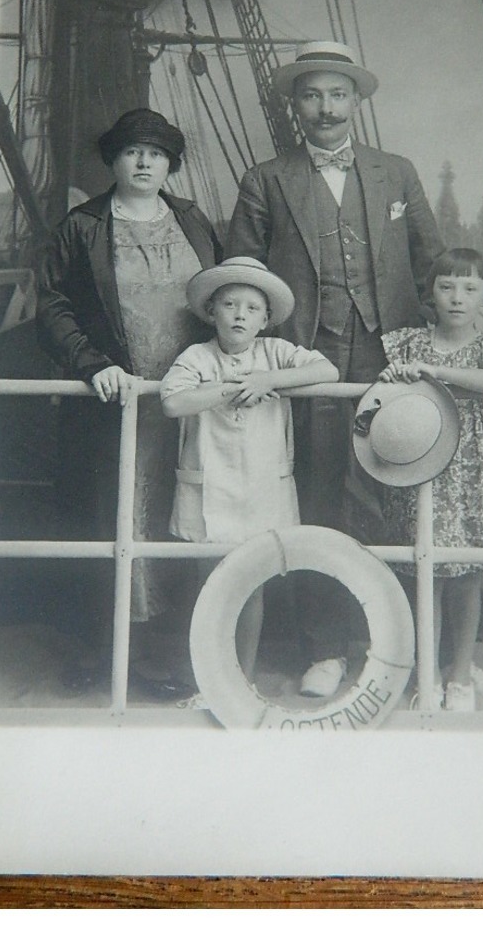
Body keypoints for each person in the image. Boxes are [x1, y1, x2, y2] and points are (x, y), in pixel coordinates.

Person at [226, 40, 444, 696]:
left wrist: (457, 337)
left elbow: (430, 257)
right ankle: (323, 649)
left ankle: (392, 646)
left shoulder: (395, 172)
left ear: (355, 100)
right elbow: (244, 269)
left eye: (336, 94)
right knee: (320, 498)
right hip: (308, 363)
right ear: (293, 105)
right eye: (311, 95)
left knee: (394, 497)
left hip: (391, 359)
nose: (324, 108)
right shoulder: (266, 178)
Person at [36, 108, 221, 698]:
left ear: (170, 164)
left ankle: (172, 655)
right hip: (114, 402)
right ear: (113, 160)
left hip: (189, 404)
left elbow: (223, 297)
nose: (144, 163)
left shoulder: (192, 221)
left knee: (181, 520)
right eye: (133, 152)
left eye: (157, 154)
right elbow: (53, 306)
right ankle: (104, 651)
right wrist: (95, 365)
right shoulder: (83, 225)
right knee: (112, 519)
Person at [160, 257, 338, 682]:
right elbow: (172, 401)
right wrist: (226, 389)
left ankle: (242, 678)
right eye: (229, 304)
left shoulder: (275, 353)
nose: (240, 314)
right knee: (213, 585)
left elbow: (328, 369)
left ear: (266, 319)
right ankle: (212, 677)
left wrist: (267, 380)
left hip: (261, 487)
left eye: (252, 308)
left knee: (252, 583)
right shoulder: (198, 356)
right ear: (211, 312)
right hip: (211, 488)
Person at [377, 248, 483, 711]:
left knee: (468, 576)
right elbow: (383, 397)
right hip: (425, 467)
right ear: (431, 292)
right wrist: (397, 378)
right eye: (447, 286)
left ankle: (460, 675)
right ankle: (427, 677)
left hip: (476, 469)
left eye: (470, 288)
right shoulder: (407, 345)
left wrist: (436, 372)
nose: (457, 298)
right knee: (428, 573)